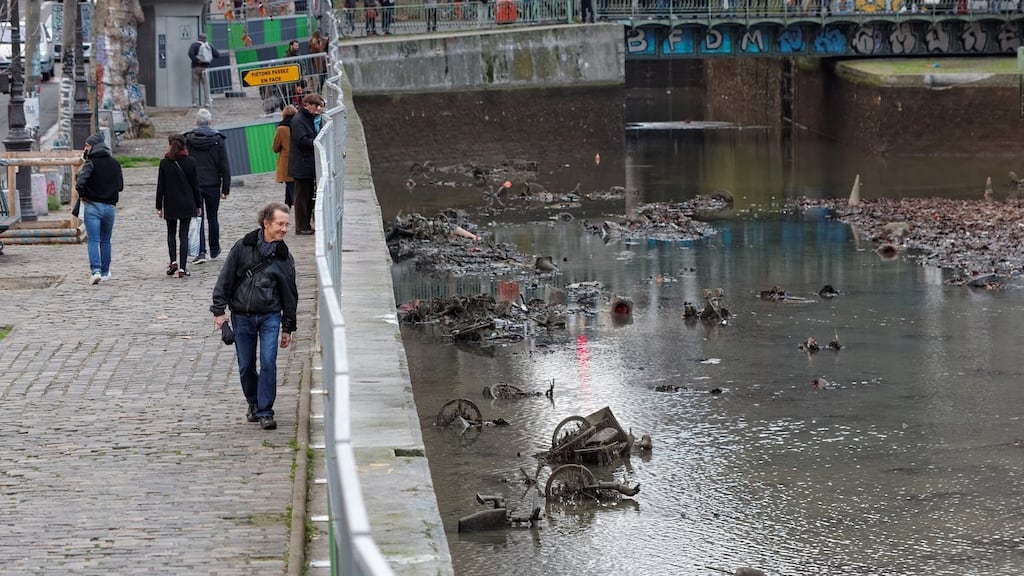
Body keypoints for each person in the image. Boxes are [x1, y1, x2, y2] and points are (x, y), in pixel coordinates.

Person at [211, 202, 298, 431]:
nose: (284, 229)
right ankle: (253, 402)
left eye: (287, 224)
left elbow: (290, 295)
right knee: (246, 365)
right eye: (280, 224)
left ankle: (266, 411)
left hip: (270, 316)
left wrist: (288, 327)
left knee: (269, 362)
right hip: (242, 316)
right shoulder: (242, 247)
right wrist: (219, 311)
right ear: (266, 223)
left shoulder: (284, 258)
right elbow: (226, 279)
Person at [184, 108, 231, 264]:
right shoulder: (218, 140)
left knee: (198, 218)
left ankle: (201, 251)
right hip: (213, 184)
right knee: (213, 217)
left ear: (197, 123)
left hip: (194, 185)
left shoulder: (188, 140)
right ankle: (215, 248)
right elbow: (224, 165)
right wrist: (226, 188)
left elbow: (185, 164)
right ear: (210, 122)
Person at [76, 133, 123, 285]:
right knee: (106, 240)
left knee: (93, 240)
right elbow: (120, 186)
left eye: (87, 146)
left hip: (93, 205)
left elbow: (80, 183)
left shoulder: (91, 163)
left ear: (93, 147)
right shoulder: (115, 163)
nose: (85, 148)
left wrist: (84, 195)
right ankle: (105, 271)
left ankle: (95, 270)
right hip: (110, 207)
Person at [155, 134, 202, 278]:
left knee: (171, 233)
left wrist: (159, 206)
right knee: (184, 235)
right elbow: (196, 186)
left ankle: (173, 261)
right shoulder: (191, 162)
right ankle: (182, 267)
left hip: (171, 203)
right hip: (188, 204)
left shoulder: (165, 163)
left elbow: (160, 187)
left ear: (170, 145)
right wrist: (198, 204)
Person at [289, 93, 323, 236]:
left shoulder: (306, 118)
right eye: (315, 106)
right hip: (302, 165)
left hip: (306, 164)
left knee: (308, 197)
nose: (317, 109)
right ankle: (301, 226)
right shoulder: (299, 120)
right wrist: (317, 143)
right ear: (307, 105)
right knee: (302, 197)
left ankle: (306, 225)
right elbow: (302, 140)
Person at [273, 105, 297, 209]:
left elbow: (275, 148)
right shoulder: (298, 125)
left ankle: (292, 206)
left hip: (286, 163)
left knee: (290, 186)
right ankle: (287, 205)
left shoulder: (281, 129)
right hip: (299, 161)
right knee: (292, 186)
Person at [188, 32, 220, 108]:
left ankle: (194, 103)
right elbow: (217, 55)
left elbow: (190, 53)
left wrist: (196, 60)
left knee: (194, 85)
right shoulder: (208, 45)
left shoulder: (194, 45)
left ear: (198, 38)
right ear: (205, 39)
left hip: (195, 68)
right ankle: (207, 102)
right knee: (206, 85)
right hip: (205, 68)